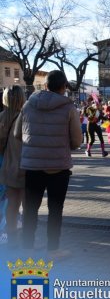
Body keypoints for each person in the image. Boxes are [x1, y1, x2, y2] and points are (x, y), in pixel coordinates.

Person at [17, 70, 83, 258]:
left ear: (45, 85)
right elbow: (77, 140)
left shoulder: (28, 105)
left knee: (30, 209)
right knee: (55, 209)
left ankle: (26, 249)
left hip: (32, 165)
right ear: (63, 87)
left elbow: (17, 134)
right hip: (58, 165)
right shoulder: (68, 107)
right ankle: (53, 250)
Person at [0, 85, 26, 249]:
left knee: (9, 203)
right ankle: (26, 239)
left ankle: (11, 238)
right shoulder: (25, 118)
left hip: (5, 166)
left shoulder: (1, 117)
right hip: (23, 166)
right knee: (26, 205)